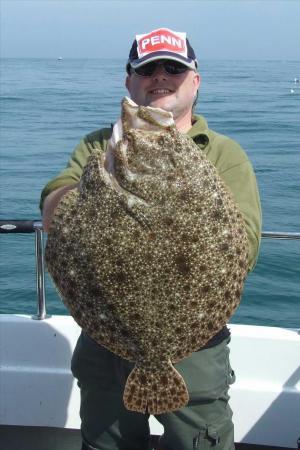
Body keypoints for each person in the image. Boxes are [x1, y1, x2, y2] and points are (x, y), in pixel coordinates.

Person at [40, 28, 261, 450]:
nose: (160, 76)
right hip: (105, 340)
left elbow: (243, 248)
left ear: (195, 81)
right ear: (129, 81)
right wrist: (95, 185)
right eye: (147, 69)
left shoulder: (224, 154)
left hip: (194, 354)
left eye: (174, 68)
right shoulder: (98, 146)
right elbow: (53, 208)